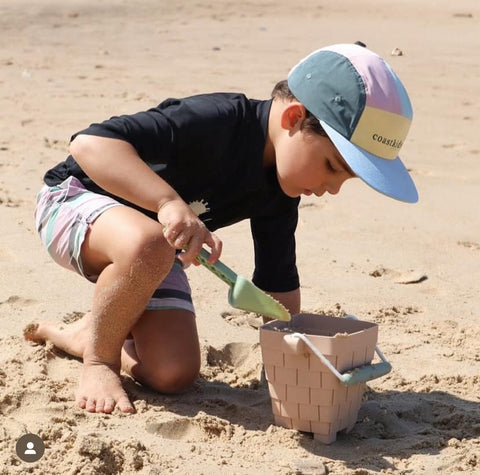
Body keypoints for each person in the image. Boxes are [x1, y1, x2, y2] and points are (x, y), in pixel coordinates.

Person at [25, 43, 418, 414]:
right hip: (73, 203)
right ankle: (99, 359)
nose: (332, 188)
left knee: (172, 373)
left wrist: (292, 365)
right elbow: (89, 145)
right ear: (294, 118)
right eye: (333, 166)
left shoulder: (281, 192)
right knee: (149, 243)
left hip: (152, 255)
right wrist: (167, 204)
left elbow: (276, 293)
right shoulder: (217, 119)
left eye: (346, 180)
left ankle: (88, 334)